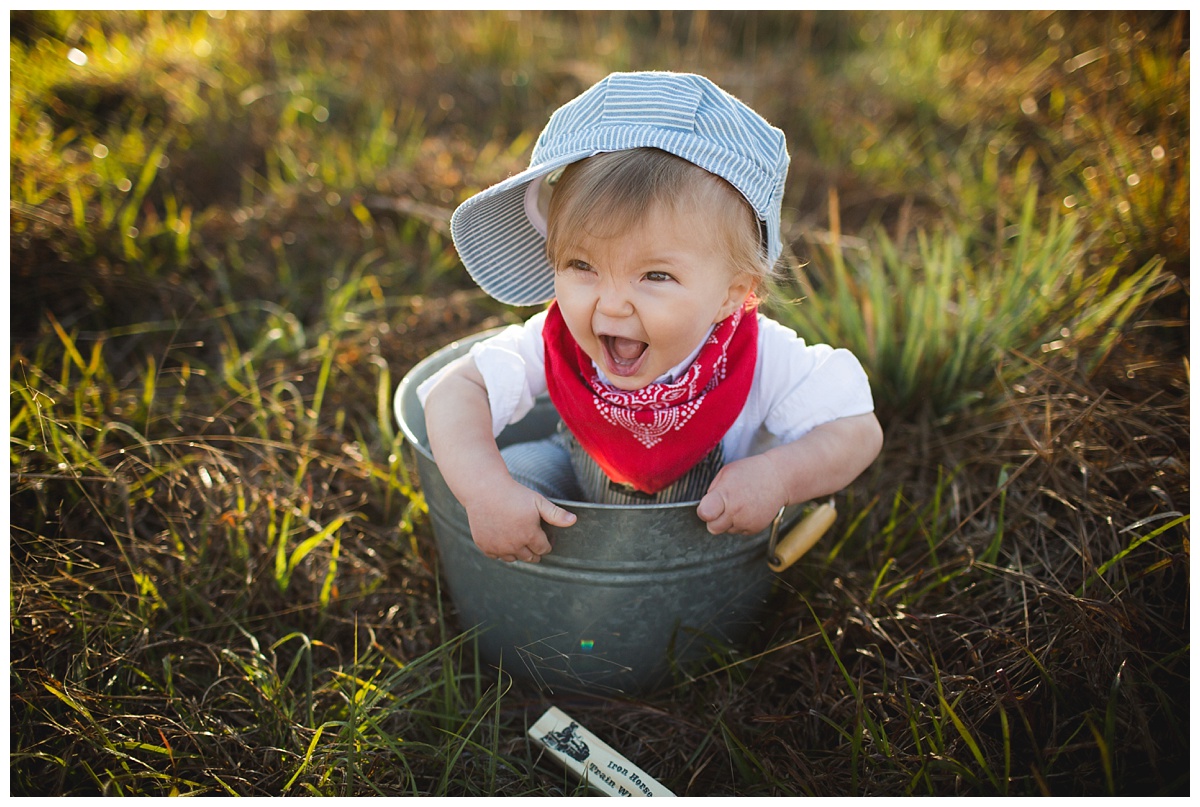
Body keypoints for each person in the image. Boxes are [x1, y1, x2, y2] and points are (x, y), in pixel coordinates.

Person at [418, 71, 882, 564]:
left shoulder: (760, 356)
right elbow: (457, 390)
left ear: (732, 294)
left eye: (655, 276)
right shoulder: (558, 340)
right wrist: (486, 491)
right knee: (512, 469)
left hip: (704, 530)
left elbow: (856, 430)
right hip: (575, 485)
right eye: (583, 265)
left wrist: (778, 476)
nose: (612, 305)